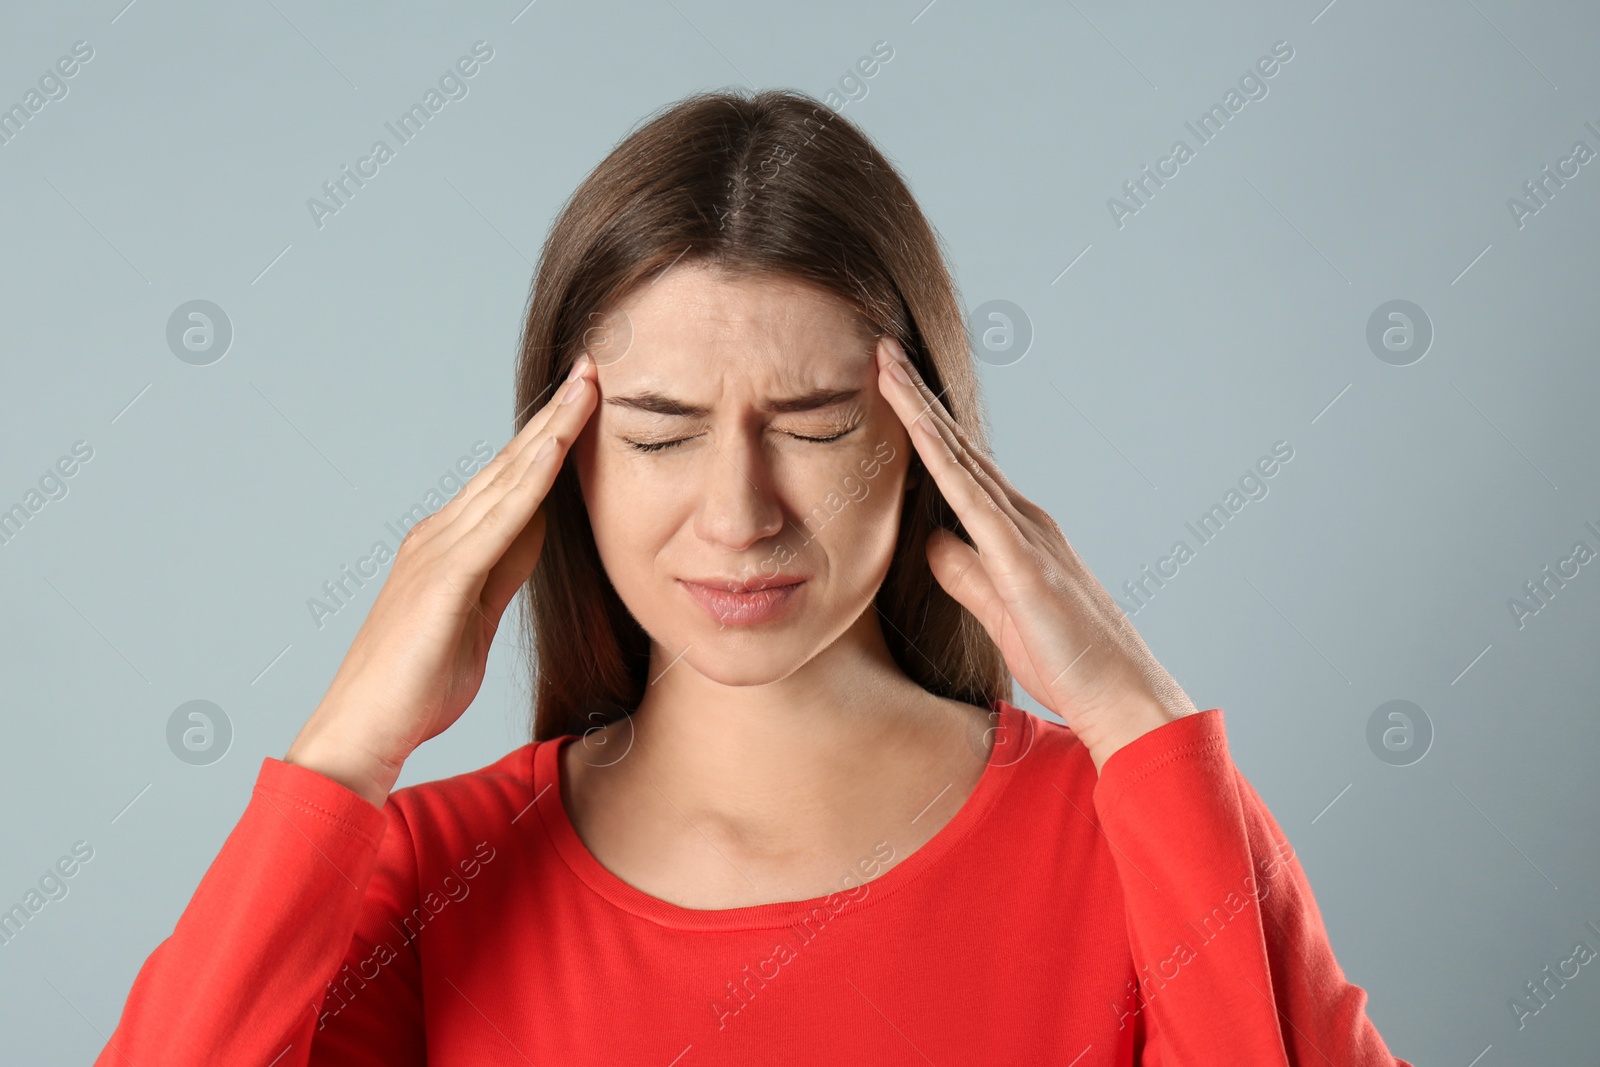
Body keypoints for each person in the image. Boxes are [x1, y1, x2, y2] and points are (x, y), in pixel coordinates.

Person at [95, 89, 1412, 1065]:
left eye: (819, 425)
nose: (737, 514)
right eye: (660, 432)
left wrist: (1134, 716)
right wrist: (345, 748)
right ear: (562, 463)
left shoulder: (1128, 840)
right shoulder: (432, 877)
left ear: (927, 442)